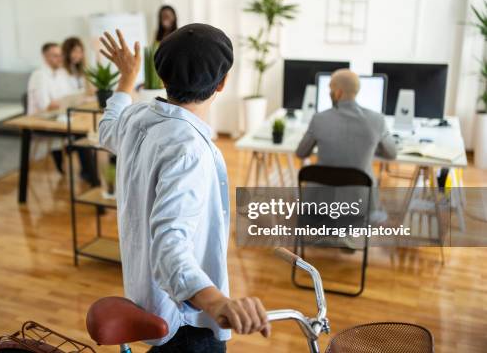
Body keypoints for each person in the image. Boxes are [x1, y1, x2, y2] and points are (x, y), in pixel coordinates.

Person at [98, 25, 270, 352]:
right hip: (189, 321)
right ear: (223, 82)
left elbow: (107, 129)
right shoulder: (188, 149)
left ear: (163, 78)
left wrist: (127, 78)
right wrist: (217, 302)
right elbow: (169, 242)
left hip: (154, 301)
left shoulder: (137, 117)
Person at [296, 68, 397, 177]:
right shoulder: (378, 120)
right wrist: (369, 147)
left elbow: (301, 153)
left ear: (339, 92)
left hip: (322, 191)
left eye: (331, 89)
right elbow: (391, 154)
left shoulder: (318, 119)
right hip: (360, 192)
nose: (330, 93)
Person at [27, 42, 97, 182]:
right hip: (42, 119)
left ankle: (90, 171)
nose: (60, 59)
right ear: (45, 57)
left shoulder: (60, 73)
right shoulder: (39, 75)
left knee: (89, 125)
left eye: (60, 55)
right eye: (55, 56)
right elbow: (45, 105)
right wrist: (68, 101)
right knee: (80, 131)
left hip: (59, 115)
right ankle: (91, 175)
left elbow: (69, 96)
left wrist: (79, 99)